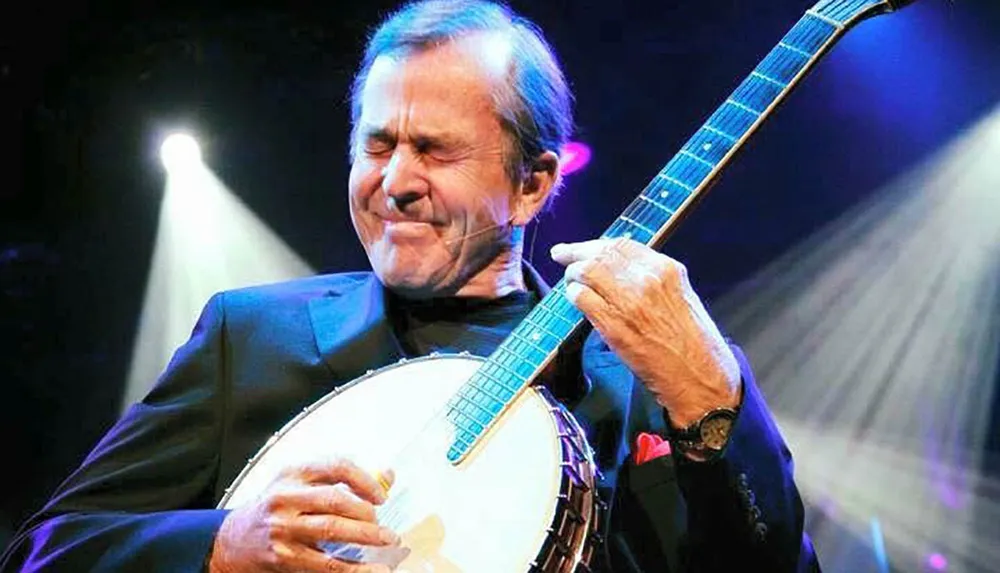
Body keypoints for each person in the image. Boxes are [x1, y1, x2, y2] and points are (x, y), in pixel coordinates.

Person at [1, 1, 819, 571]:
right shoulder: (249, 337)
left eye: (434, 149)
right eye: (377, 143)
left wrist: (716, 398)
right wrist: (220, 543)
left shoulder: (645, 374)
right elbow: (46, 550)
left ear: (532, 184)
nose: (394, 180)